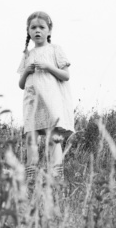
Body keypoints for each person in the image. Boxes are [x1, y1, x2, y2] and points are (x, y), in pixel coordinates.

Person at [17, 11, 74, 182]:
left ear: (49, 30)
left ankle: (56, 177)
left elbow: (66, 76)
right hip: (31, 102)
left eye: (42, 27)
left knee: (53, 139)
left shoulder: (55, 49)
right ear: (28, 31)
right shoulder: (27, 55)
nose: (37, 31)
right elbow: (21, 85)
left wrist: (48, 67)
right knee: (31, 139)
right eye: (33, 28)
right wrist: (27, 70)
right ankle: (31, 179)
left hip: (51, 101)